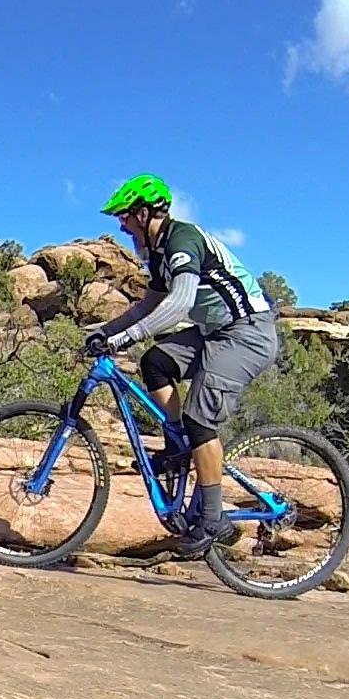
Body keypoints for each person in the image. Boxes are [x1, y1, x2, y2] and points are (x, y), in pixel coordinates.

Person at [82, 174, 278, 558]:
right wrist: (104, 331)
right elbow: (147, 306)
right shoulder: (156, 254)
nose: (121, 226)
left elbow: (180, 303)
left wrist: (125, 338)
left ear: (144, 212)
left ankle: (212, 518)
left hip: (248, 333)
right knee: (156, 361)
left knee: (200, 420)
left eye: (124, 217)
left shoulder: (181, 239)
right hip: (215, 332)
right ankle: (178, 448)